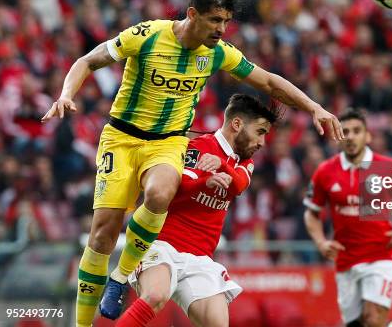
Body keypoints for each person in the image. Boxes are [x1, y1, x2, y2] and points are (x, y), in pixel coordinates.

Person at [40, 0, 344, 327]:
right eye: (215, 20)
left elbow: (271, 83)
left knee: (159, 192)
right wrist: (66, 93)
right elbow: (87, 60)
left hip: (168, 141)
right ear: (192, 14)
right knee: (102, 234)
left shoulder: (218, 53)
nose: (221, 29)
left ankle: (121, 277)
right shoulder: (147, 35)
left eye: (226, 21)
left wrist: (315, 107)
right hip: (121, 139)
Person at [114, 93, 277, 327]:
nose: (262, 142)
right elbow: (176, 189)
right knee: (156, 295)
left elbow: (239, 185)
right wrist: (204, 182)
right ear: (237, 124)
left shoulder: (244, 162)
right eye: (260, 132)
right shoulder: (197, 147)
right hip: (163, 243)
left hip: (201, 258)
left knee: (218, 323)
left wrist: (220, 164)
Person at [304, 108, 392, 327]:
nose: (351, 136)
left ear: (368, 136)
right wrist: (320, 242)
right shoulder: (325, 171)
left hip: (381, 255)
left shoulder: (387, 167)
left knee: (372, 318)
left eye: (357, 131)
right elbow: (311, 213)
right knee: (356, 324)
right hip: (345, 260)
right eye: (345, 131)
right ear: (338, 137)